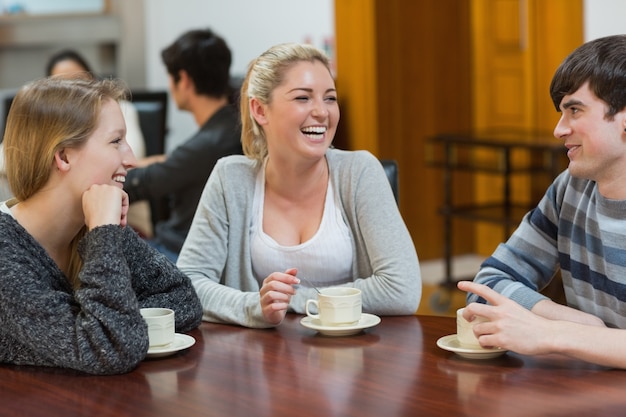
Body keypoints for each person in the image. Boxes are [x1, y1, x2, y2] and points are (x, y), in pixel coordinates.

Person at [177, 42, 421, 328]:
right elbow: (188, 284)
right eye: (303, 98)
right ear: (260, 110)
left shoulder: (360, 172)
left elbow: (401, 289)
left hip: (356, 358)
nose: (322, 112)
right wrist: (254, 306)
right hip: (261, 361)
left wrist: (293, 300)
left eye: (330, 98)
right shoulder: (230, 178)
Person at [0, 76, 202, 375]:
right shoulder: (7, 253)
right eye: (116, 141)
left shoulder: (94, 221)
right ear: (64, 156)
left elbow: (183, 298)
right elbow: (110, 349)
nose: (132, 159)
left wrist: (114, 325)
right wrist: (103, 237)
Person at [458, 34, 626, 369]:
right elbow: (488, 283)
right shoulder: (571, 188)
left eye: (574, 110)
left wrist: (553, 334)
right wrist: (574, 323)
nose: (558, 129)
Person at [123, 28, 242, 263]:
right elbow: (174, 162)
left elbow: (139, 184)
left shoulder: (208, 145)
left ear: (184, 79)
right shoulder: (231, 125)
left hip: (180, 253)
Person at [43, 49, 153, 238]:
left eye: (79, 81)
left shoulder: (116, 110)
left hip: (130, 227)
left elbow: (128, 159)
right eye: (63, 86)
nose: (74, 91)